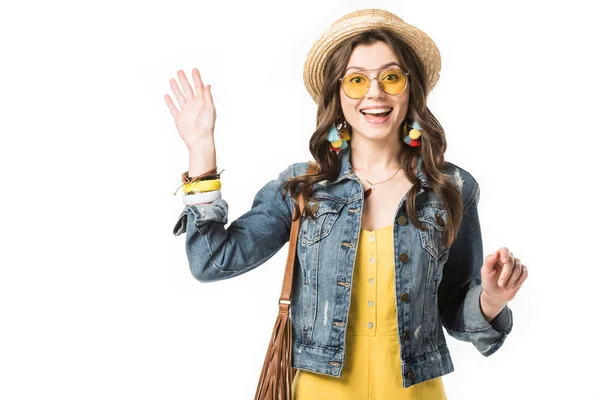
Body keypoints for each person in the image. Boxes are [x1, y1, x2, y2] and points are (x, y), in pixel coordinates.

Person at [167, 8, 528, 400]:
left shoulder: (451, 189)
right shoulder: (304, 187)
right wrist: (201, 149)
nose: (375, 93)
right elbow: (211, 260)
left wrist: (491, 298)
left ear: (411, 89)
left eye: (390, 77)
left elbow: (457, 310)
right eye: (357, 80)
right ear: (338, 95)